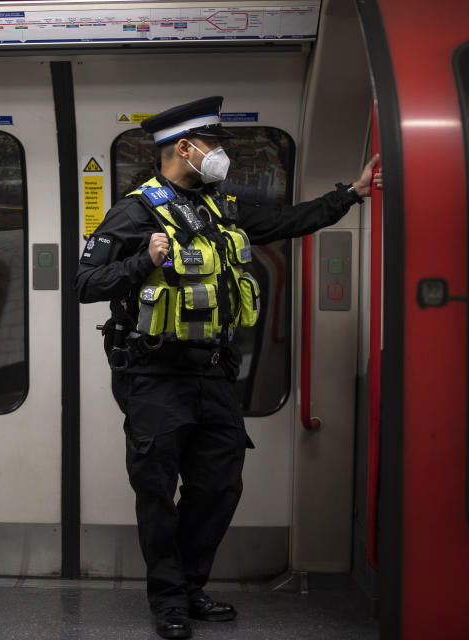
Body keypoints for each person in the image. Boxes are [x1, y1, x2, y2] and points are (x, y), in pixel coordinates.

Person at [74, 96, 381, 639]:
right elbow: (86, 284)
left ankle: (191, 587)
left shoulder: (221, 207)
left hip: (214, 376)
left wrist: (350, 195)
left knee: (219, 487)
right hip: (155, 377)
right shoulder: (133, 212)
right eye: (213, 146)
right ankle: (168, 601)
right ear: (183, 148)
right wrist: (142, 259)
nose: (220, 156)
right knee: (157, 490)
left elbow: (285, 221)